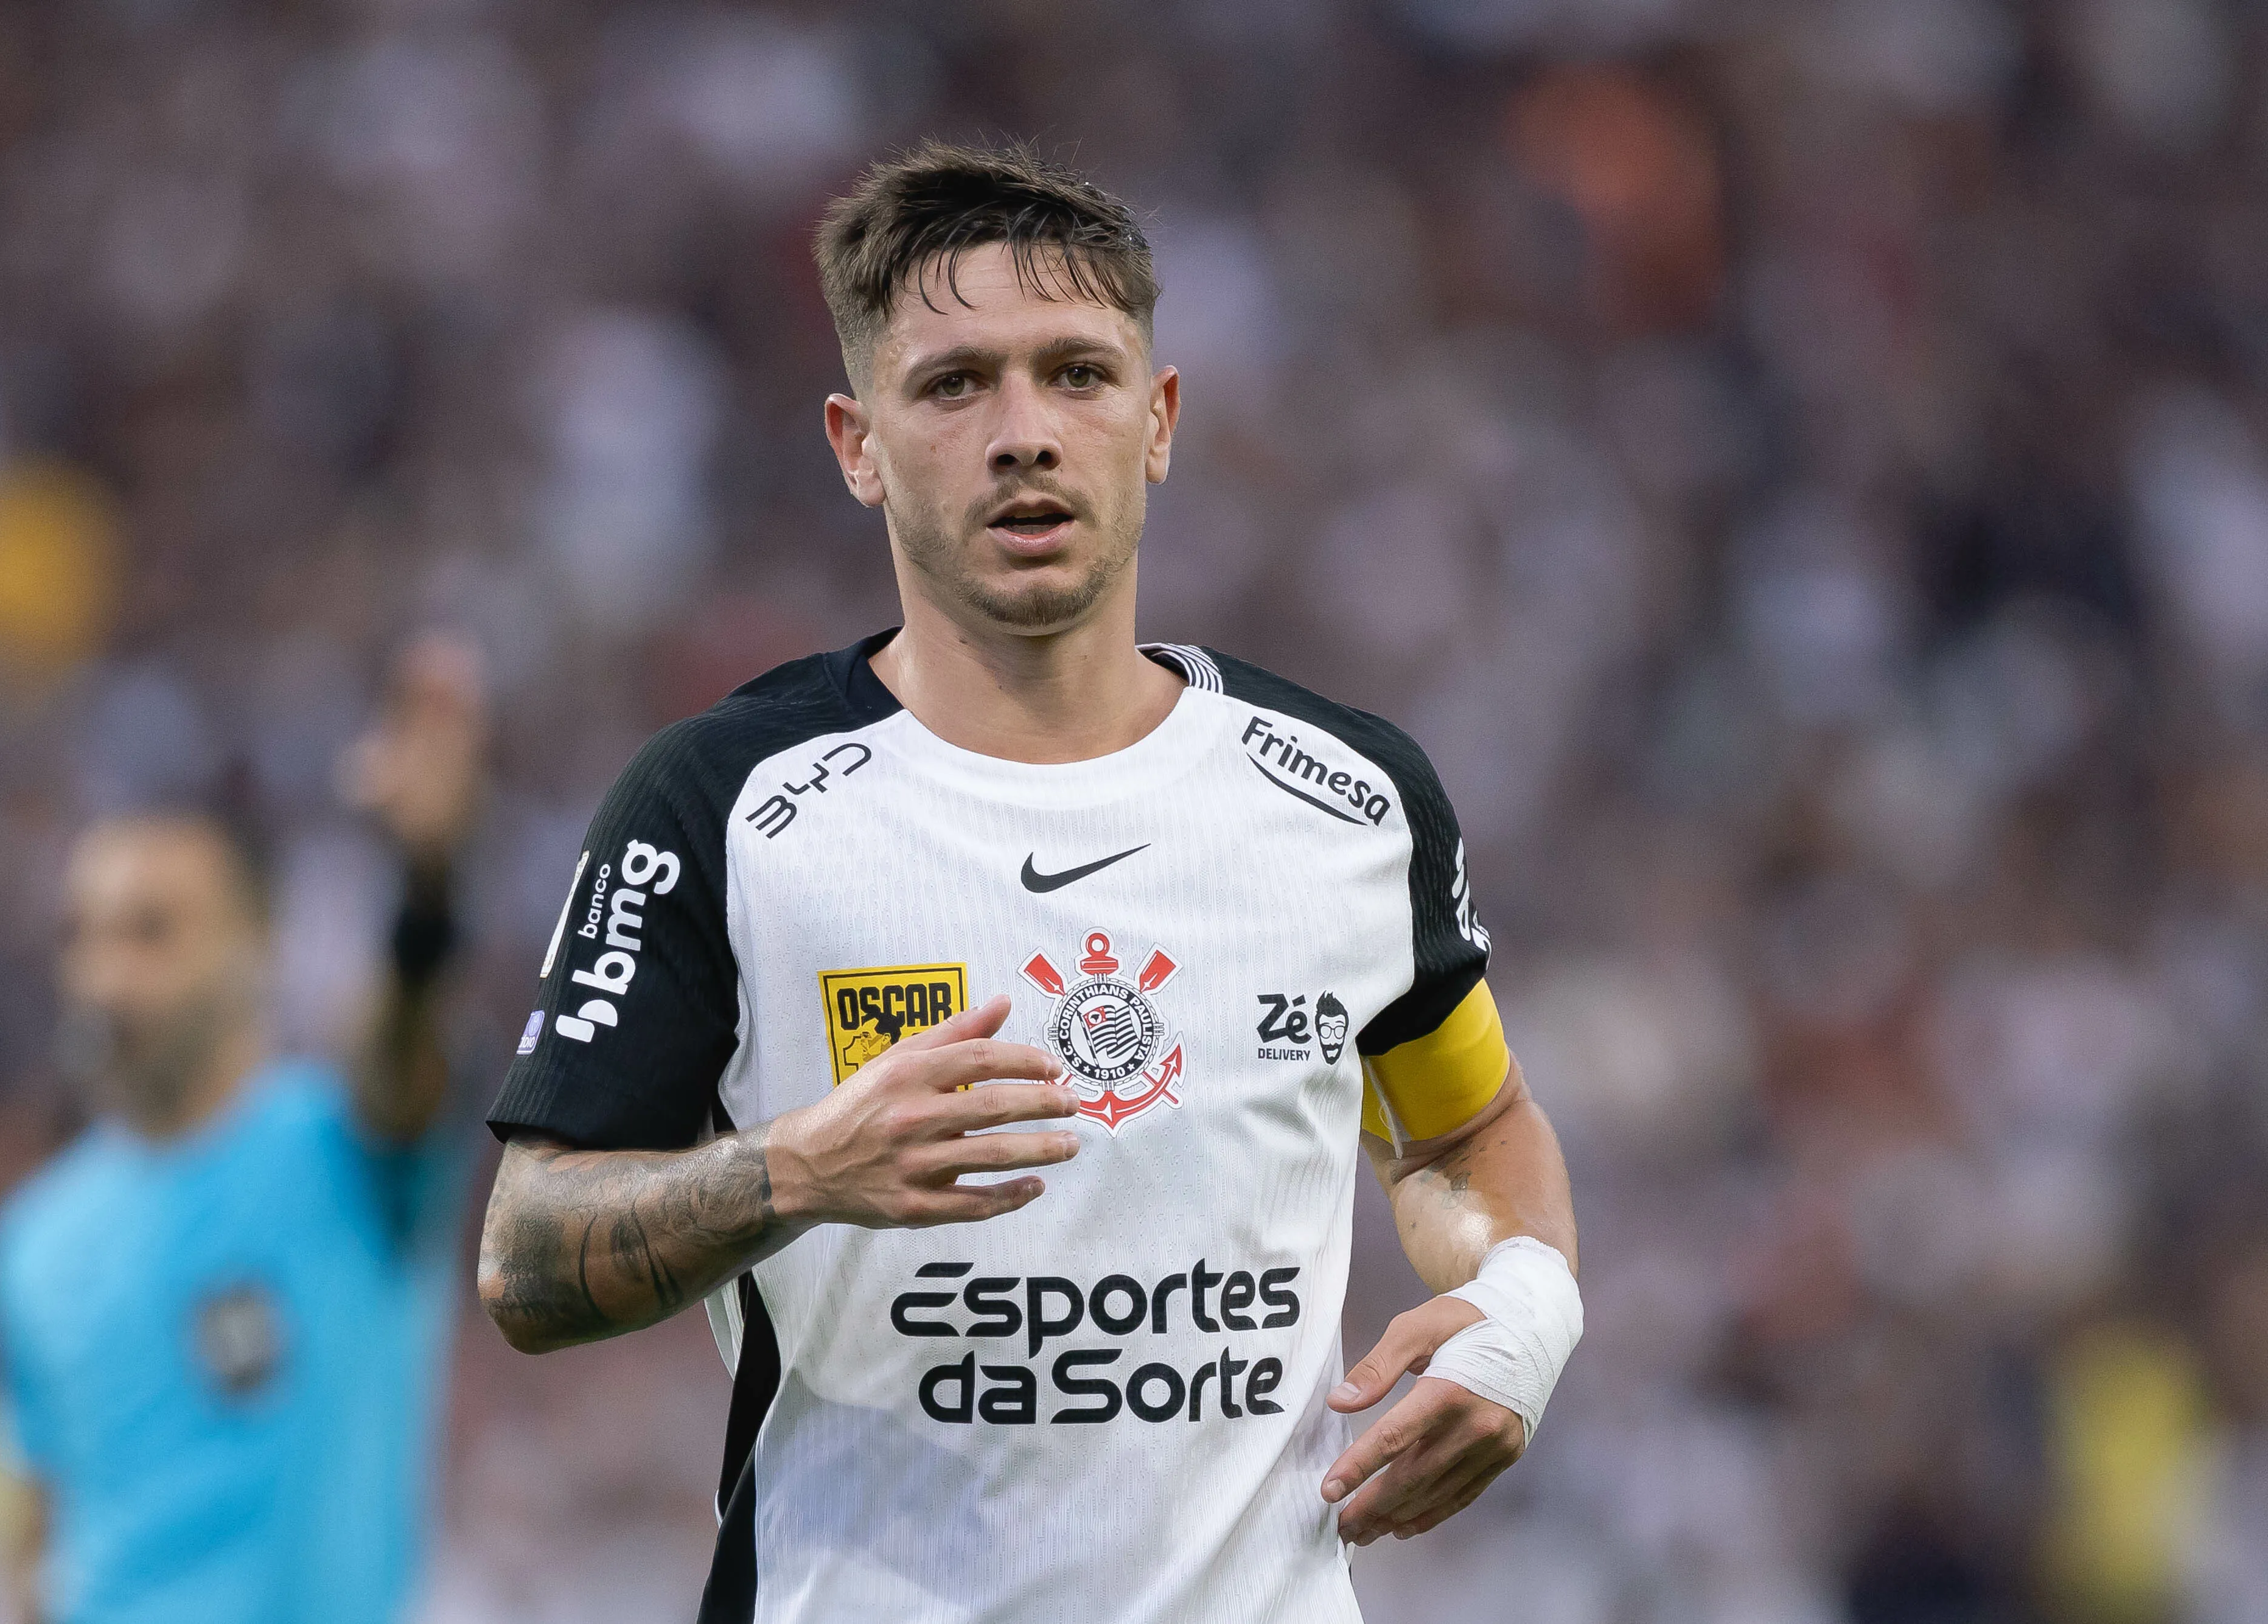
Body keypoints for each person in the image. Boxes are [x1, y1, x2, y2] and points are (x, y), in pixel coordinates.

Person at [478, 143, 1583, 1623]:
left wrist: (1522, 1316)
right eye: (952, 385)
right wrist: (797, 1168)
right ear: (855, 439)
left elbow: (1464, 1134)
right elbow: (529, 1255)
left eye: (1076, 373)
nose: (1024, 434)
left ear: (1159, 418)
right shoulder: (717, 806)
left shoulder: (1349, 798)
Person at [0, 638, 488, 1624]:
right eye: (81, 935)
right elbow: (41, 1548)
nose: (105, 977)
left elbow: (404, 1059)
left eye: (151, 931)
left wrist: (426, 890)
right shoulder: (29, 1244)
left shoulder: (347, 1156)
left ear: (256, 945)